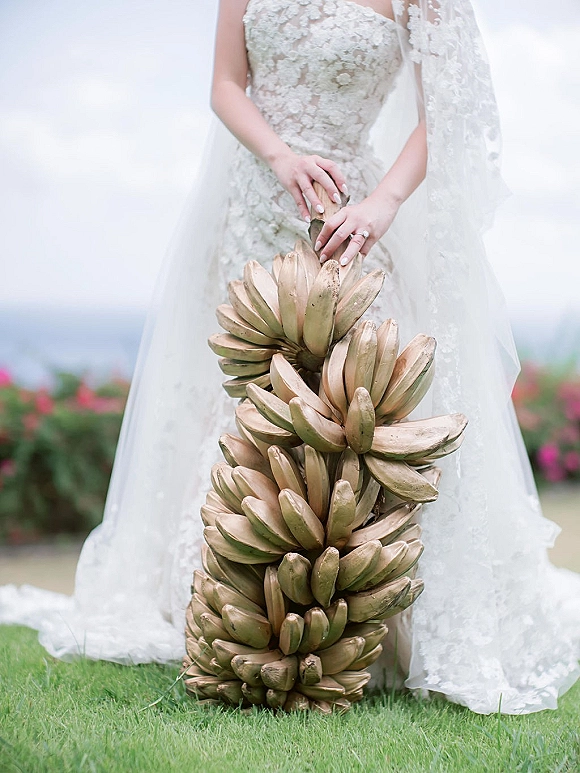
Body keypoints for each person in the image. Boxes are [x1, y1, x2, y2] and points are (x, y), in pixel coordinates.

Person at [1, 0, 579, 714]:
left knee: (351, 411)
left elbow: (450, 106)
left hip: (351, 224)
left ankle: (352, 612)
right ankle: (232, 606)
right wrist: (276, 154)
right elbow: (224, 83)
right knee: (234, 402)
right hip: (250, 205)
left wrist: (384, 204)